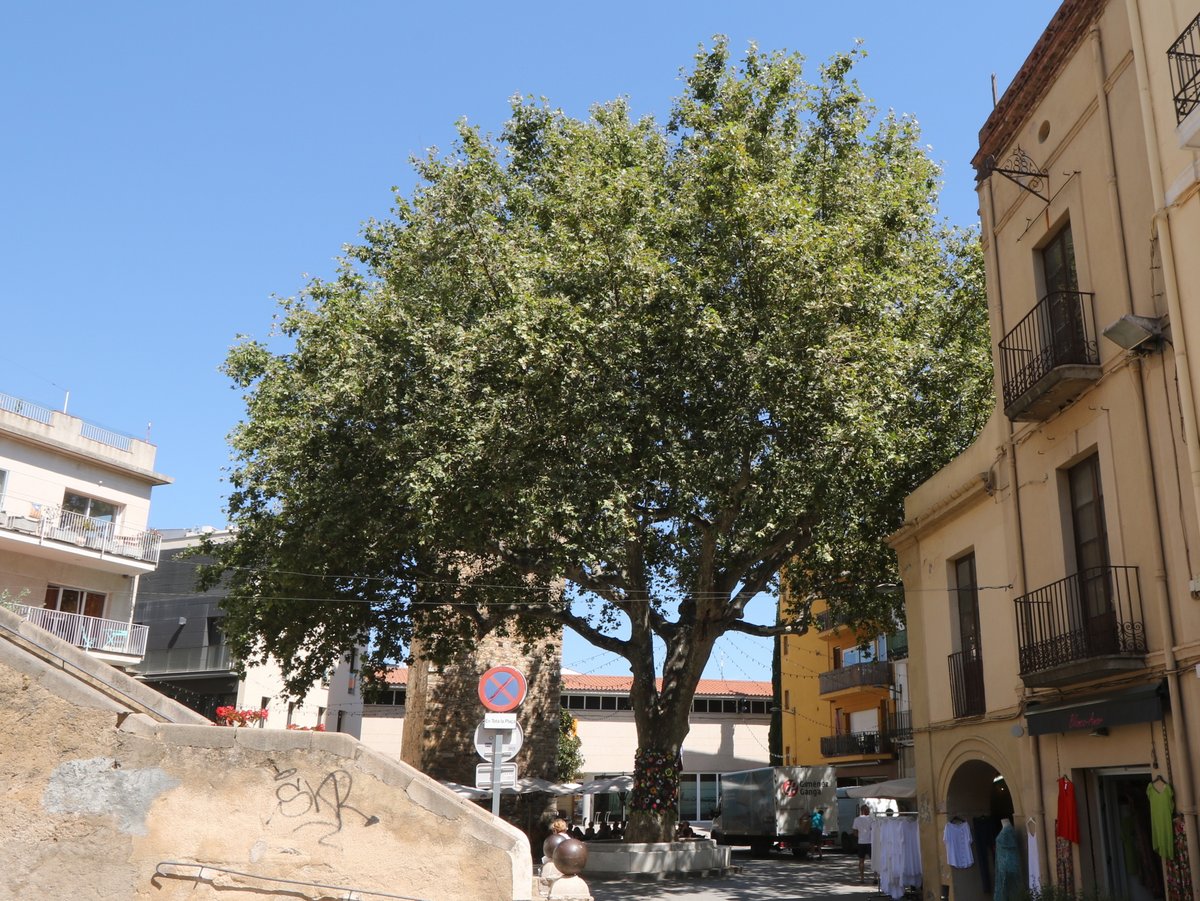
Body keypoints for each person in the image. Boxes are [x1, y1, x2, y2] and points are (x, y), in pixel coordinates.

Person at [852, 803, 875, 883]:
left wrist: (860, 836)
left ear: (861, 811)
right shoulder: (872, 819)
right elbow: (874, 830)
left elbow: (854, 832)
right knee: (873, 860)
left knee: (861, 861)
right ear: (867, 811)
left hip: (861, 842)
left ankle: (862, 878)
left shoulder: (856, 819)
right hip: (870, 842)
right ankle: (875, 877)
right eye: (868, 810)